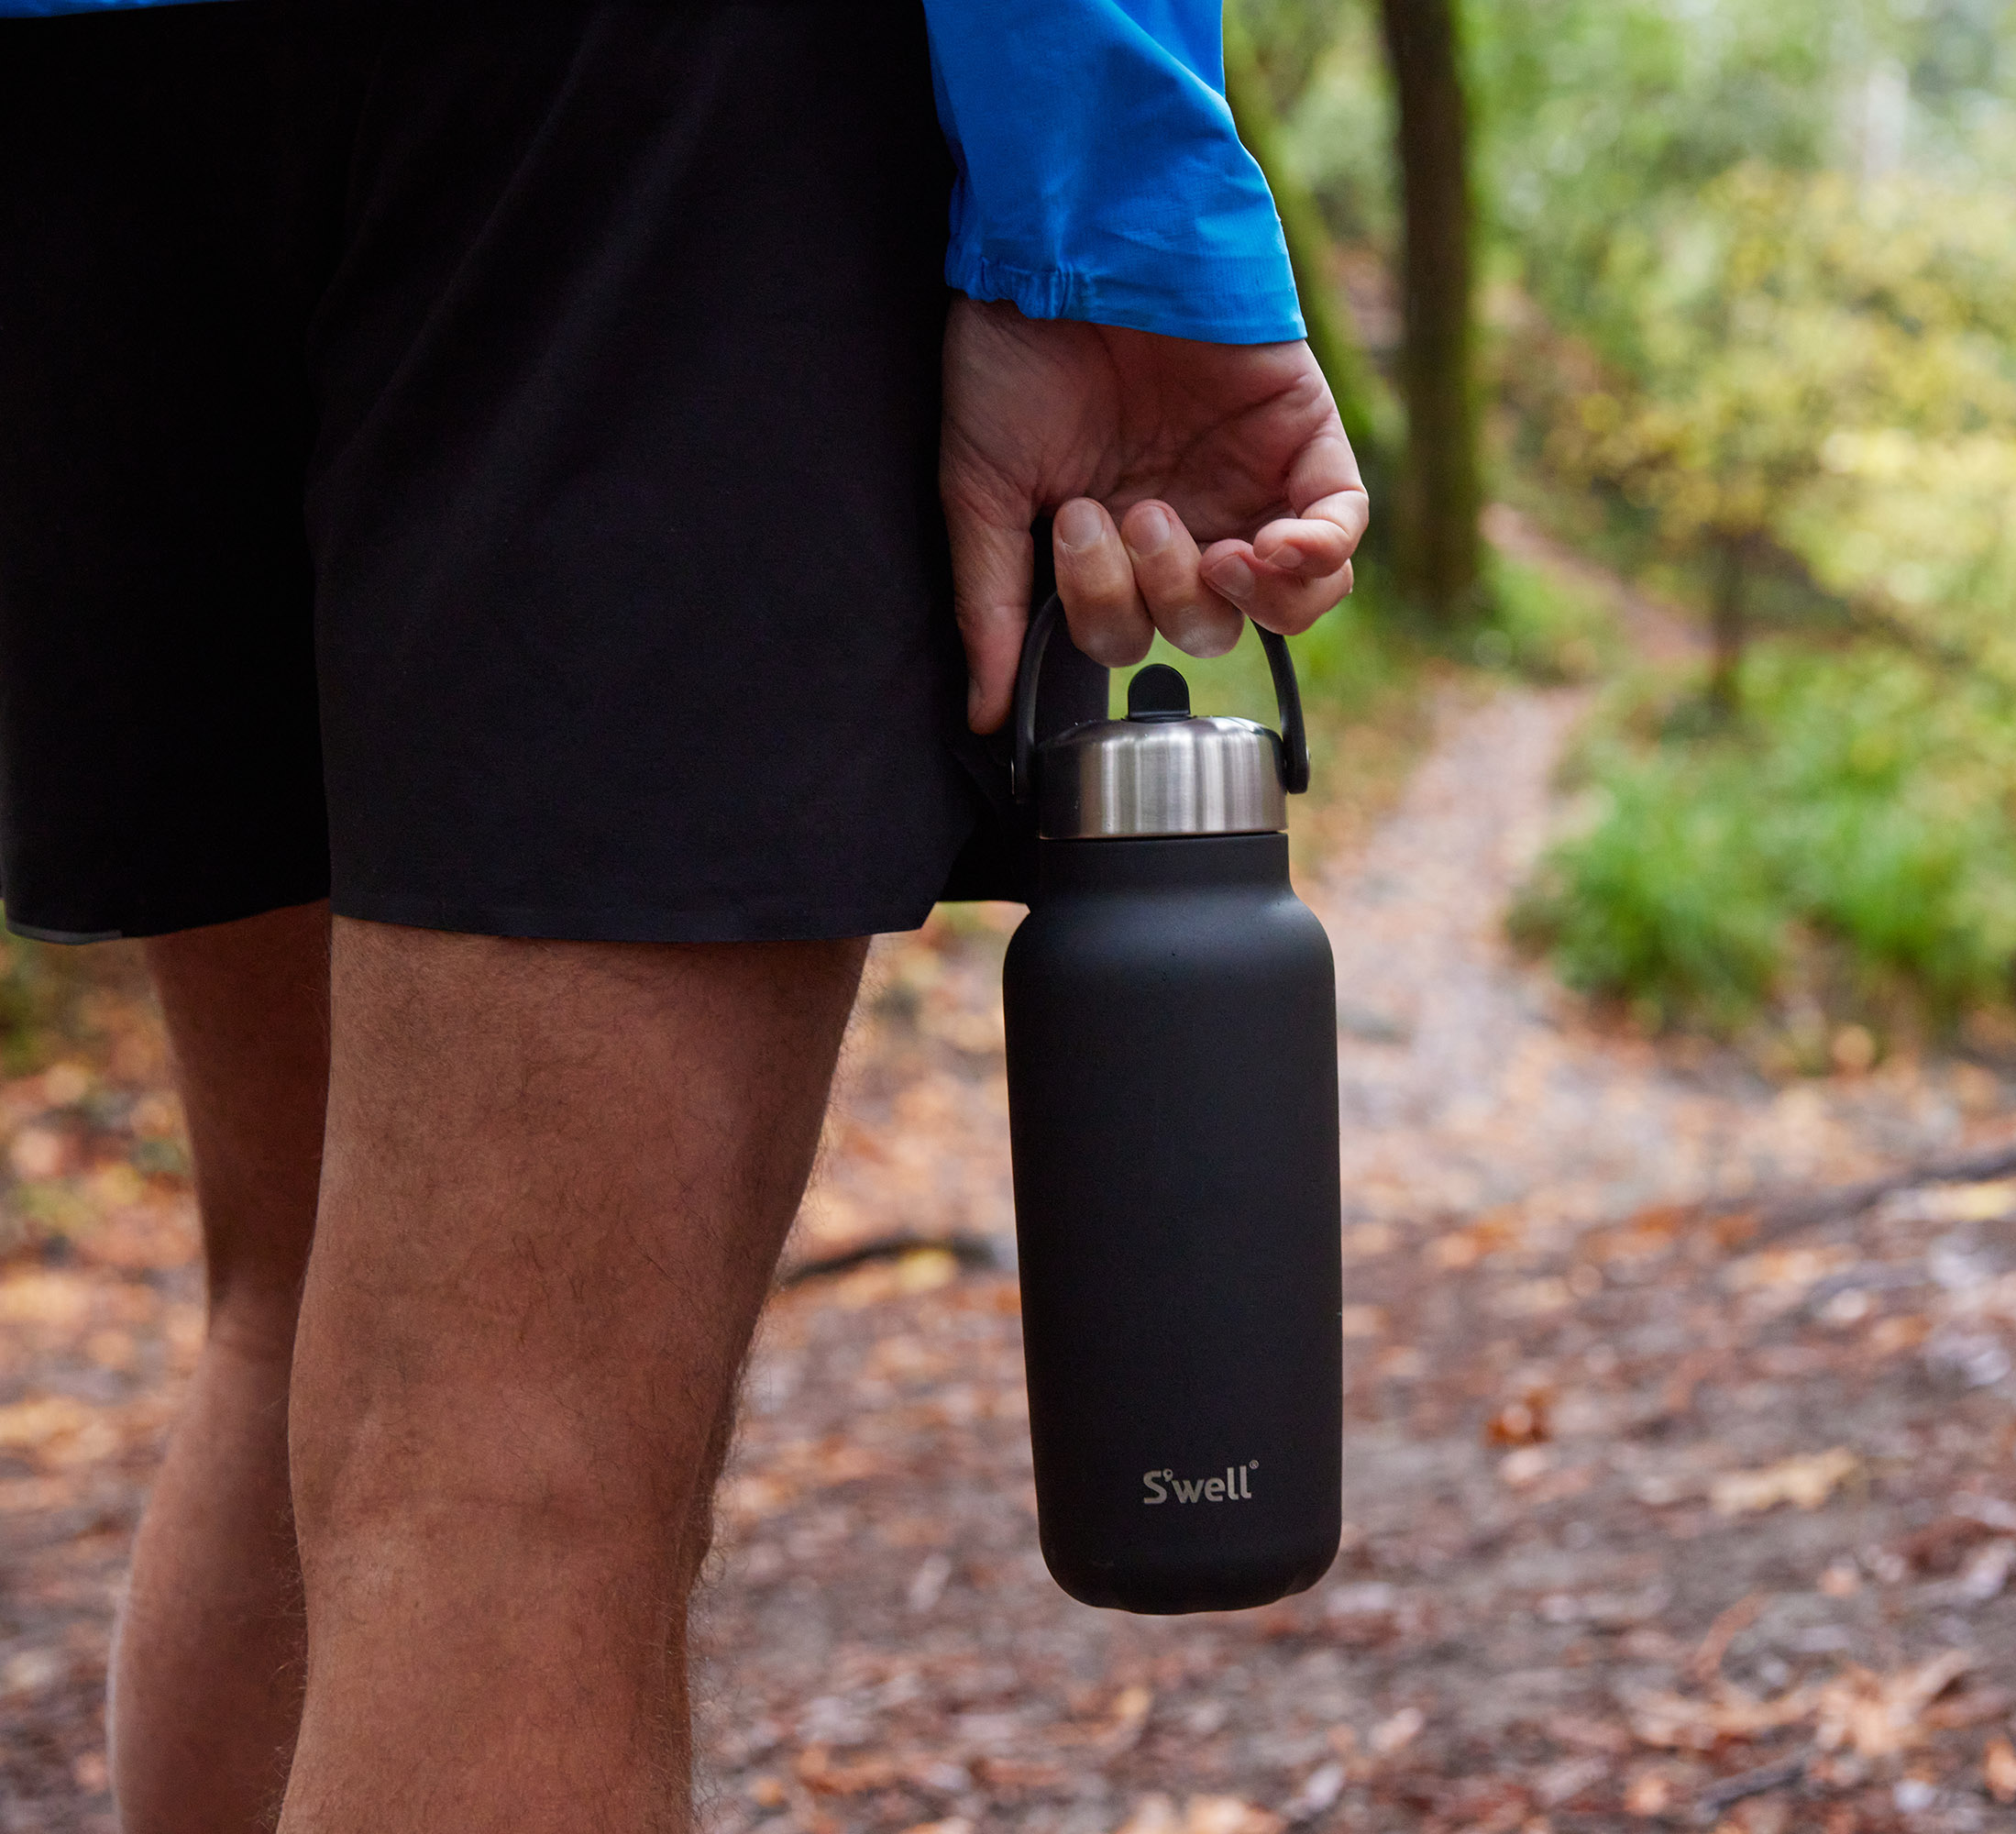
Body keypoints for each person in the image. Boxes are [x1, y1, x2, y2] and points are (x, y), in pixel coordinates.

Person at [0, 2, 1366, 1828]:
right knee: (508, 1462)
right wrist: (1110, 204)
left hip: (86, 91)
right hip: (634, 91)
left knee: (296, 1309)